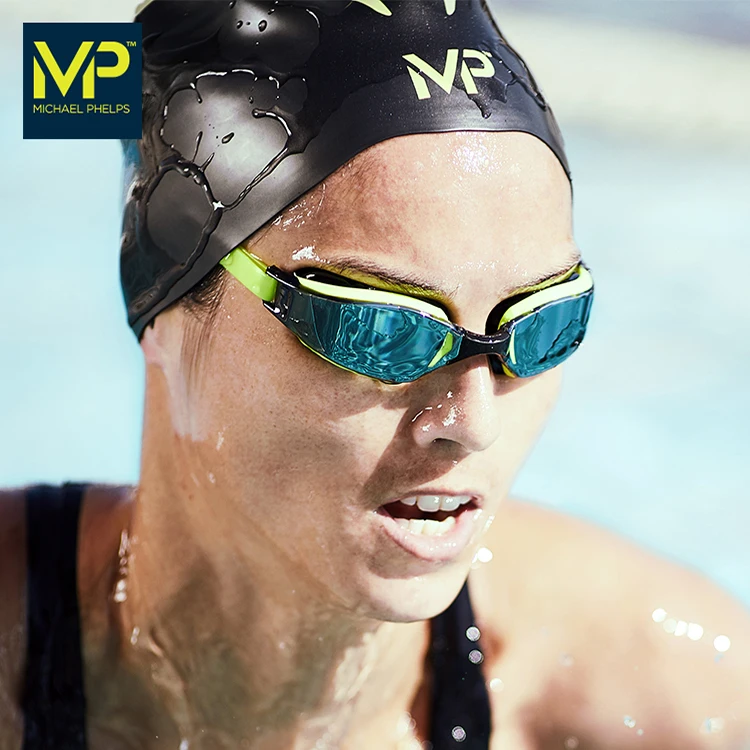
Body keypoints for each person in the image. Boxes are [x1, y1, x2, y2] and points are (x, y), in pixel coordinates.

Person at [2, 1, 749, 748]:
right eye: (379, 328)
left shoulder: (658, 688)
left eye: (543, 324)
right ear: (166, 311)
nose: (472, 423)